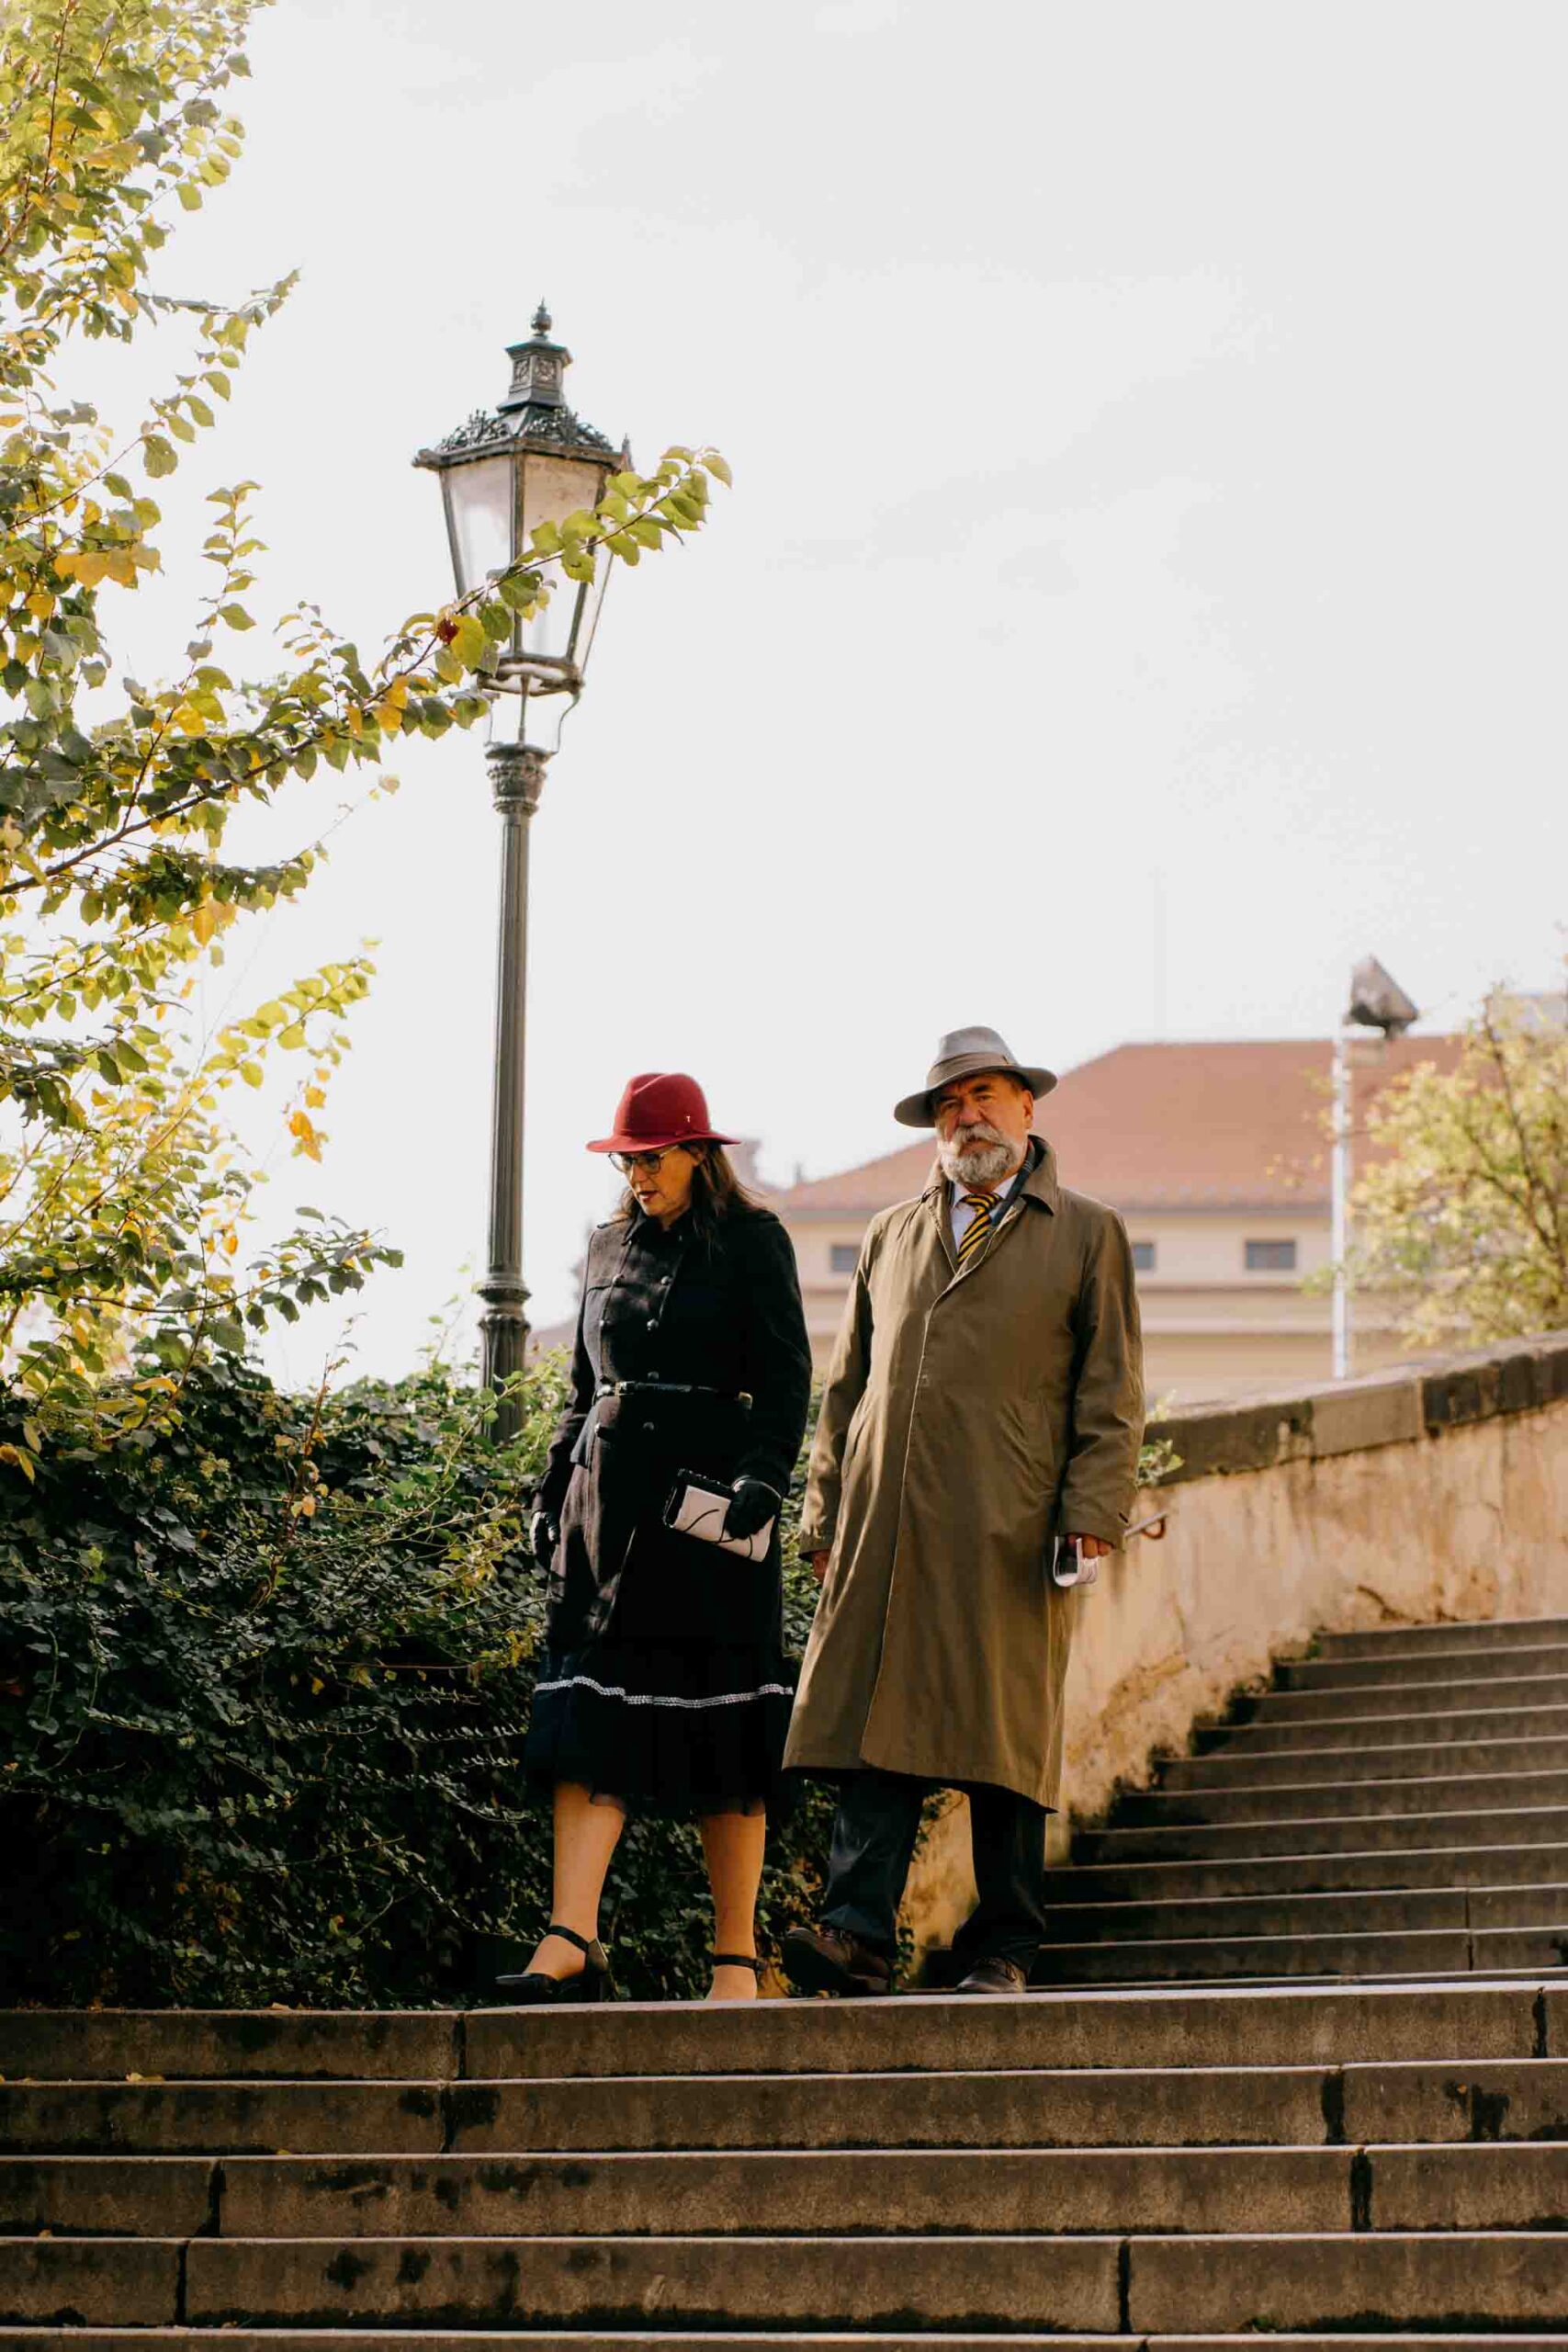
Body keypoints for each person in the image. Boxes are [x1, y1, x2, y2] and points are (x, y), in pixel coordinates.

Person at [782, 1025, 1145, 1997]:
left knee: (1003, 1740)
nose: (966, 1117)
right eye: (948, 1104)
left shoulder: (1087, 1232)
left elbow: (1111, 1390)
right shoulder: (889, 1233)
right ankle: (856, 1934)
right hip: (887, 1525)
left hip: (1009, 1524)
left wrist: (1090, 1509)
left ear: (1026, 1105)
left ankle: (1005, 1949)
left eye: (983, 1096)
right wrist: (823, 1518)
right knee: (875, 1727)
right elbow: (845, 1386)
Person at [508, 1070, 812, 2006]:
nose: (637, 1175)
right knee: (586, 1721)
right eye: (627, 1161)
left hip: (707, 1504)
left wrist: (764, 1475)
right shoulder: (606, 1246)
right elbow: (580, 1390)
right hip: (603, 1511)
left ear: (695, 1154)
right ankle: (569, 1937)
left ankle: (735, 1961)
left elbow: (787, 1377)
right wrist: (549, 1490)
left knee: (726, 1726)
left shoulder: (754, 1240)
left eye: (652, 1159)